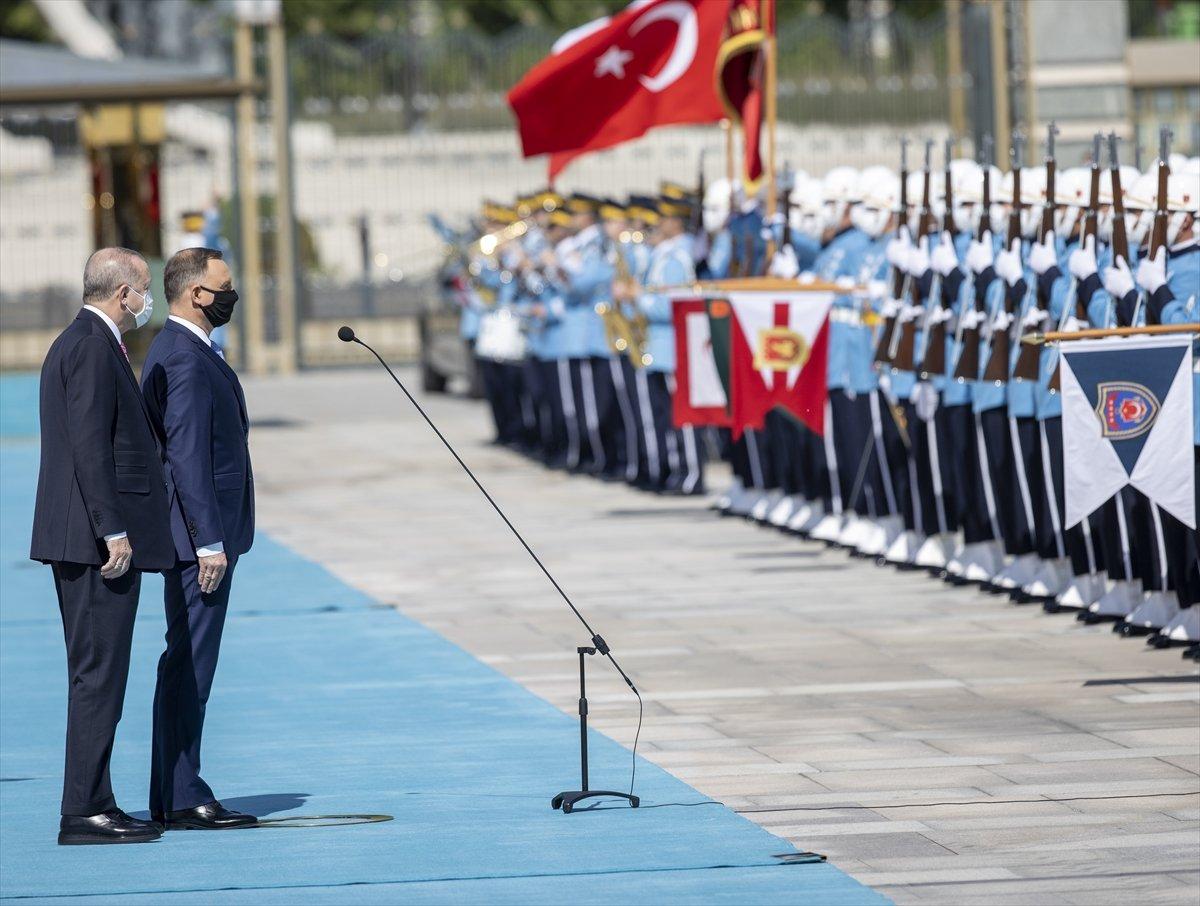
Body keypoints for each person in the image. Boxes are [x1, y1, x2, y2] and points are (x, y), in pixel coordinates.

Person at [30, 247, 174, 845]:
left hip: (91, 538)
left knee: (102, 675)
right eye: (143, 290)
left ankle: (97, 799)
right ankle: (83, 809)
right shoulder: (90, 345)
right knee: (98, 675)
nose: (146, 302)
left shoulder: (86, 340)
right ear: (122, 293)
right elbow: (91, 445)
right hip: (95, 545)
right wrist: (111, 529)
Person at [140, 247, 256, 830]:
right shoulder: (184, 357)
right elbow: (185, 457)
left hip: (197, 537)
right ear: (196, 295)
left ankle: (171, 788)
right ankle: (184, 795)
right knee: (191, 666)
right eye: (224, 286)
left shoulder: (182, 346)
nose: (232, 295)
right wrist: (208, 541)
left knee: (183, 661)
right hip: (197, 544)